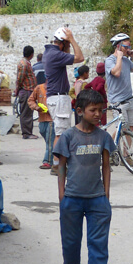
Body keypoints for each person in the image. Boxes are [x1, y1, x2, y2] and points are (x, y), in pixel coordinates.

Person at [53, 89, 116, 264]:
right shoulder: (69, 136)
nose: (98, 114)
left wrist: (106, 196)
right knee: (71, 238)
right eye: (93, 110)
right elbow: (61, 167)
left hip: (97, 198)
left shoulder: (104, 137)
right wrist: (62, 196)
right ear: (80, 111)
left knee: (98, 241)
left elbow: (106, 167)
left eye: (101, 110)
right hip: (72, 197)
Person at [44, 27, 84, 174]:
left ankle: (59, 163)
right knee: (61, 133)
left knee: (62, 131)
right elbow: (80, 58)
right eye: (67, 44)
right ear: (62, 43)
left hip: (56, 97)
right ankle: (56, 165)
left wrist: (66, 44)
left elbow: (68, 55)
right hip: (59, 97)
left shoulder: (50, 52)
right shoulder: (55, 54)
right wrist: (72, 40)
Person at [104, 33, 133, 152]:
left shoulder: (127, 60)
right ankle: (109, 150)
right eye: (126, 47)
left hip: (129, 98)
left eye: (129, 46)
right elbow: (116, 73)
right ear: (118, 46)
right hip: (118, 101)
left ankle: (126, 156)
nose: (128, 49)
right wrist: (119, 58)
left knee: (130, 128)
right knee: (122, 129)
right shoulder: (110, 60)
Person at [28, 82, 54, 170]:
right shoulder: (39, 88)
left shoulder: (56, 88)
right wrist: (35, 107)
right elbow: (30, 100)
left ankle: (47, 161)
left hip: (52, 119)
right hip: (42, 119)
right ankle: (54, 156)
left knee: (50, 141)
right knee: (47, 138)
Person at [16, 45, 38, 139]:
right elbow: (20, 78)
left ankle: (28, 132)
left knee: (28, 112)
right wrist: (18, 88)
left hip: (28, 90)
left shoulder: (25, 63)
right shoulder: (24, 64)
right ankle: (27, 133)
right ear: (32, 54)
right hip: (26, 90)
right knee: (26, 113)